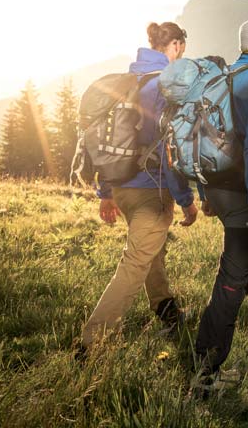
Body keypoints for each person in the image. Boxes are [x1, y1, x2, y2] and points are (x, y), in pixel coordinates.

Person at [78, 22, 198, 354]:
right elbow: (169, 151)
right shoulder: (164, 87)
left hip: (121, 189)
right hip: (150, 190)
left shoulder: (125, 82)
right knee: (135, 262)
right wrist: (186, 200)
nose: (179, 58)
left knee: (150, 250)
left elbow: (104, 141)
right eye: (180, 51)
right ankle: (92, 341)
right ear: (174, 45)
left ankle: (165, 308)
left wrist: (105, 193)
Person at [194, 17, 248, 384]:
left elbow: (198, 136)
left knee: (243, 251)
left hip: (212, 184)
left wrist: (203, 194)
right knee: (232, 275)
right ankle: (205, 372)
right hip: (239, 191)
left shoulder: (218, 77)